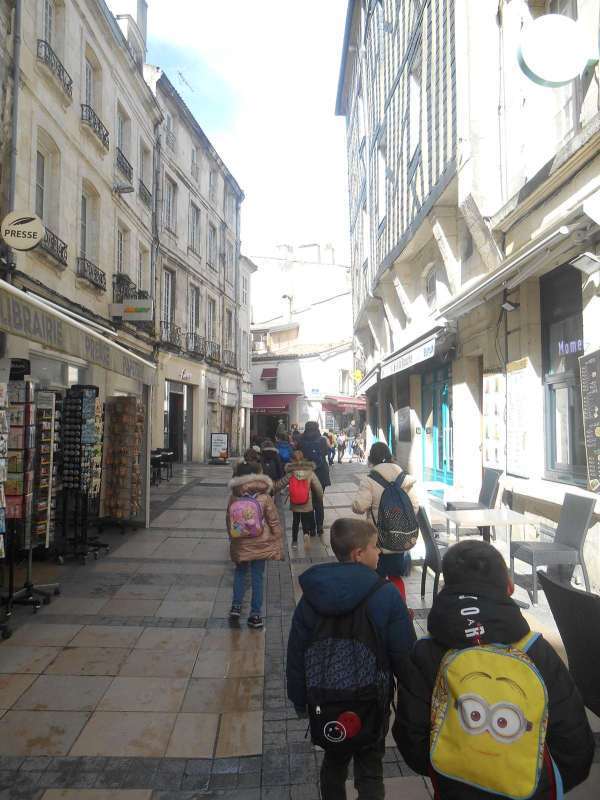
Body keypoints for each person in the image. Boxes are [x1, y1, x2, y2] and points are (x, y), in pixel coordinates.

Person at [394, 540, 595, 799]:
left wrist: (449, 773)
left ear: (445, 587)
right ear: (509, 588)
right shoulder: (536, 651)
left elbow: (411, 736)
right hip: (531, 791)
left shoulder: (426, 652)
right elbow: (574, 742)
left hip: (455, 790)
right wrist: (543, 783)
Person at [287, 518, 416, 800]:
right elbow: (404, 653)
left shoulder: (312, 596)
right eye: (375, 546)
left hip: (326, 699)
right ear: (359, 553)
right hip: (373, 699)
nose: (379, 552)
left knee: (334, 761)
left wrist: (299, 699)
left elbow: (296, 651)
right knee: (370, 767)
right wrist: (413, 696)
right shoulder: (385, 594)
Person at [352, 442, 419, 600]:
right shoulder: (404, 478)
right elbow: (414, 506)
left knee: (376, 577)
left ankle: (378, 607)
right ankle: (400, 607)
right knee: (396, 577)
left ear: (371, 458)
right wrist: (399, 521)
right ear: (390, 456)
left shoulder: (370, 480)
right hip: (400, 538)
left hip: (378, 540)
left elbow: (360, 506)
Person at [226, 461, 283, 629]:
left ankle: (236, 607)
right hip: (261, 543)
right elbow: (273, 520)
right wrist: (277, 537)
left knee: (240, 573)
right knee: (257, 577)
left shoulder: (234, 496)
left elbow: (229, 520)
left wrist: (232, 538)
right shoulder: (265, 497)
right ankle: (255, 615)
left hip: (240, 542)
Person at [278, 449, 324, 545]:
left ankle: (294, 541)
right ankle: (306, 535)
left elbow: (281, 483)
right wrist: (319, 497)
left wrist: (272, 489)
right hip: (306, 502)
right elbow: (318, 487)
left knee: (295, 521)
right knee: (305, 521)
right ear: (303, 459)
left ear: (292, 460)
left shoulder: (291, 473)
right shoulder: (310, 472)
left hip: (295, 502)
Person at [299, 421, 331, 535]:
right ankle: (320, 527)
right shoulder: (322, 440)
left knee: (309, 502)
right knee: (319, 501)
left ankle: (311, 529)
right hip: (321, 474)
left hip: (307, 474)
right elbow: (326, 453)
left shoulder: (301, 441)